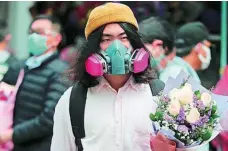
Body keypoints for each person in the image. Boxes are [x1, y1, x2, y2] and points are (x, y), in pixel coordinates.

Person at [51, 3, 175, 151]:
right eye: (106, 39)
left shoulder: (159, 95)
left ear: (135, 44)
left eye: (123, 38)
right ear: (93, 48)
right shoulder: (73, 99)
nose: (116, 47)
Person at [0, 15, 70, 151]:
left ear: (56, 39)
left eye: (39, 33)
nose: (33, 37)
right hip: (15, 145)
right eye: (31, 32)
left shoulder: (61, 72)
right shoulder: (21, 67)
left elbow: (50, 118)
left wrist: (11, 135)